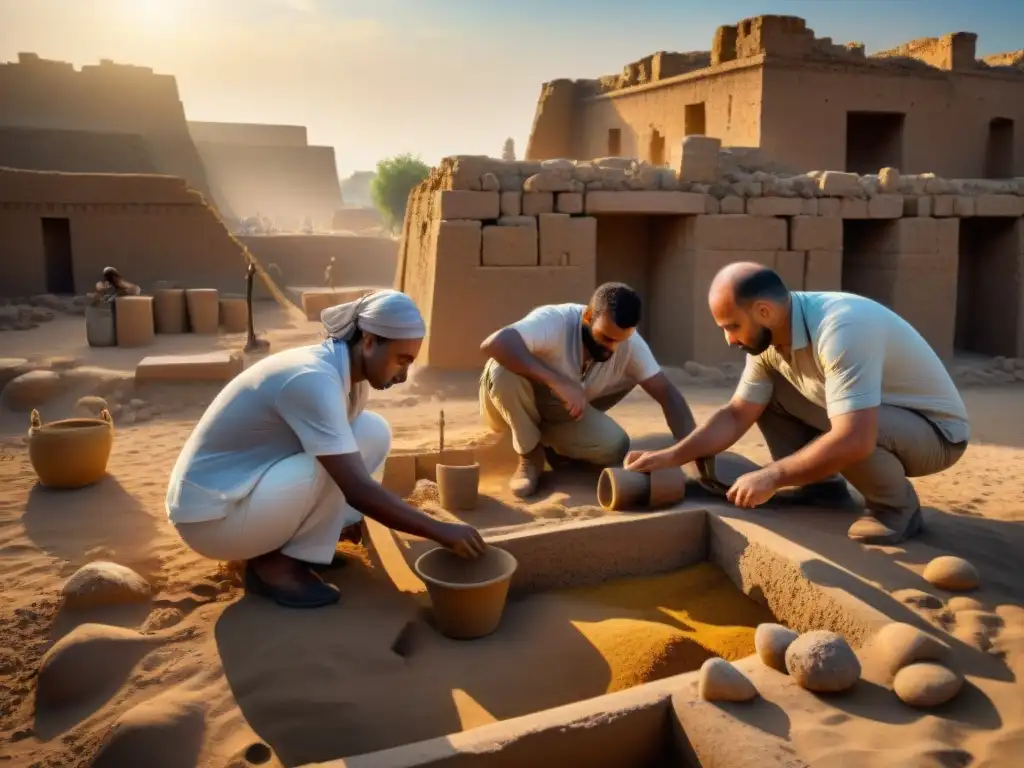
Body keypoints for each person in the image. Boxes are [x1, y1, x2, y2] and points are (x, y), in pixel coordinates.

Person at [165, 289, 486, 609]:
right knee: (333, 465)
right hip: (211, 519)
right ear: (370, 341)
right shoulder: (312, 378)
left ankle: (304, 550)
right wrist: (441, 531)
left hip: (242, 496)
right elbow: (356, 489)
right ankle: (274, 567)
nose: (403, 375)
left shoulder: (348, 379)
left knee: (371, 432)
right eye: (401, 361)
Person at [624, 263, 970, 545]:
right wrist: (671, 456)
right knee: (771, 395)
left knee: (854, 433)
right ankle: (820, 488)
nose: (729, 340)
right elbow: (736, 414)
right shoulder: (770, 343)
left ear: (764, 311)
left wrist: (772, 477)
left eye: (732, 327)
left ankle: (896, 508)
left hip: (935, 436)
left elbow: (856, 438)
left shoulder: (843, 329)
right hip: (872, 419)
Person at [479, 282, 697, 498]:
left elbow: (667, 394)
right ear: (588, 317)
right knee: (502, 370)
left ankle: (551, 446)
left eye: (619, 341)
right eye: (606, 337)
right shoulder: (556, 320)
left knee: (614, 446)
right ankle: (529, 455)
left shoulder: (631, 345)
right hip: (506, 403)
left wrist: (694, 449)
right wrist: (557, 381)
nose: (611, 348)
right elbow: (495, 344)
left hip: (558, 411)